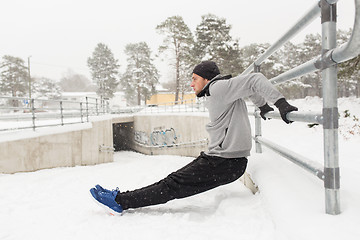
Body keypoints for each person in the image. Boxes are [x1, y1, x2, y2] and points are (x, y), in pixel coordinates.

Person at [90, 60, 298, 215]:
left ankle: (120, 201)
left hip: (225, 162)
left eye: (194, 79)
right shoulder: (221, 89)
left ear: (207, 79)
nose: (191, 84)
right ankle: (122, 198)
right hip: (223, 161)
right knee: (172, 183)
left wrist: (280, 104)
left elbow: (255, 80)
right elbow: (250, 87)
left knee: (171, 185)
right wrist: (261, 105)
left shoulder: (218, 88)